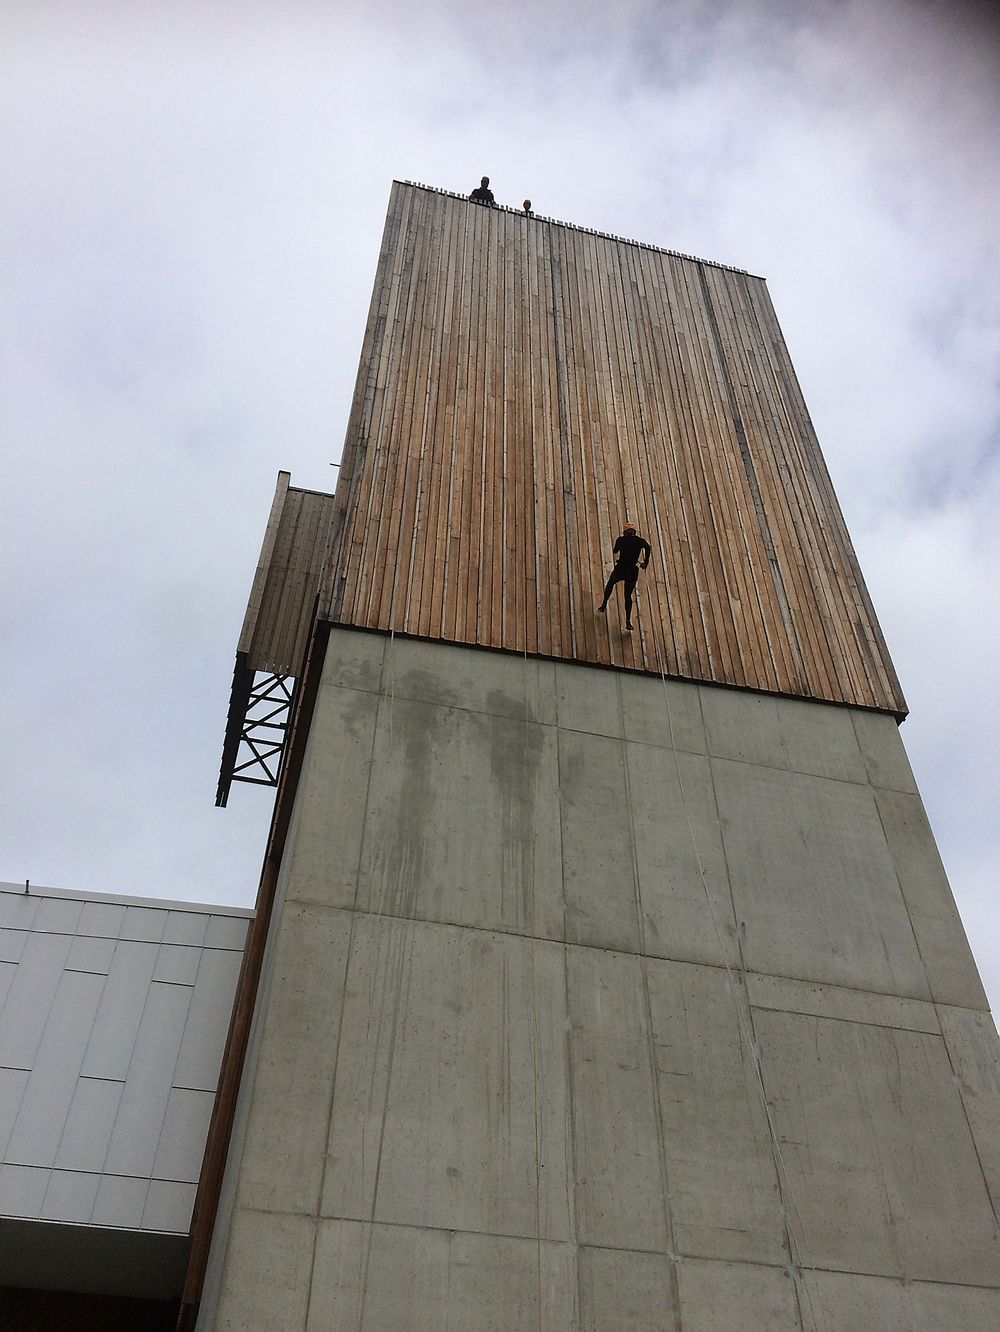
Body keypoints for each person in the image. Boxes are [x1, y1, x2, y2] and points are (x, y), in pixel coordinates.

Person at [597, 522, 651, 632]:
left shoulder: (621, 540)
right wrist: (645, 562)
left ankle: (603, 604)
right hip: (632, 571)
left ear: (625, 532)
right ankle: (628, 621)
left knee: (611, 583)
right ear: (634, 532)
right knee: (627, 595)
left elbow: (615, 550)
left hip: (621, 568)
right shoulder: (640, 541)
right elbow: (648, 548)